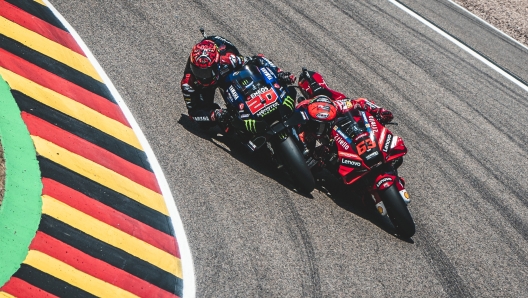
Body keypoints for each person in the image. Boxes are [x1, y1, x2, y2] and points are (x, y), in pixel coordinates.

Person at [181, 31, 297, 129]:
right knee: (206, 125)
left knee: (242, 73)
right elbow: (193, 113)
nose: (202, 76)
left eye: (206, 72)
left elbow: (258, 59)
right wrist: (214, 115)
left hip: (223, 54)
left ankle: (267, 94)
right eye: (198, 71)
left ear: (217, 64)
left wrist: (280, 73)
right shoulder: (188, 83)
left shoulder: (228, 59)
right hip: (205, 89)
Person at [295, 69, 394, 167]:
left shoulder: (338, 100)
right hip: (335, 148)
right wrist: (315, 154)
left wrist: (380, 112)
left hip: (358, 132)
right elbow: (302, 139)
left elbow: (360, 103)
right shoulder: (306, 108)